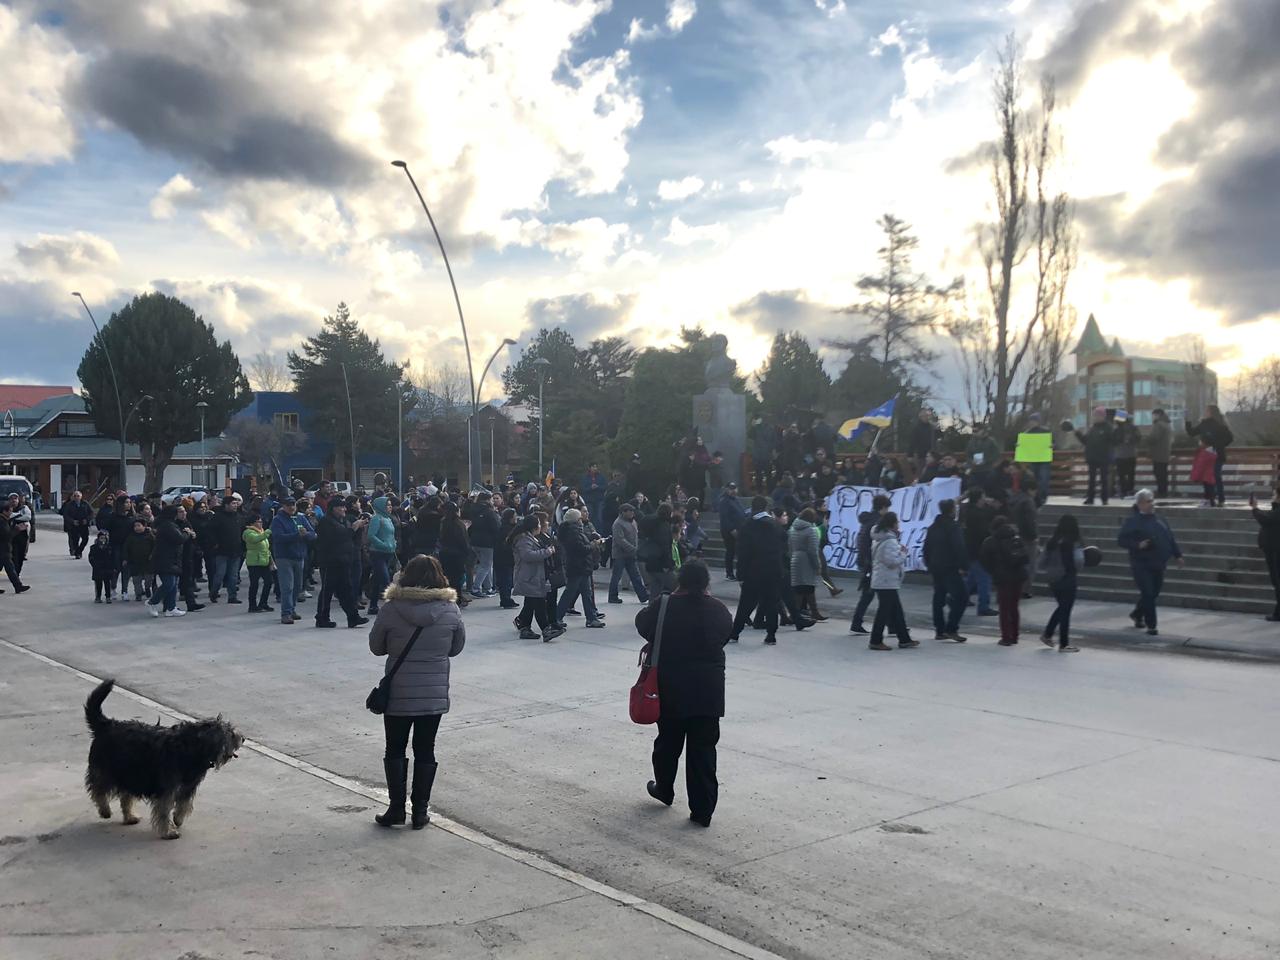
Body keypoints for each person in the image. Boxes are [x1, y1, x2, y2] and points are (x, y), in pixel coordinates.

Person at [368, 554, 466, 830]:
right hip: (432, 693)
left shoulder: (392, 608)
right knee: (426, 749)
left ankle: (396, 808)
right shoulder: (449, 610)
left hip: (398, 692)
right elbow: (455, 648)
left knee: (395, 748)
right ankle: (420, 812)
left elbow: (376, 647)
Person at [636, 561, 732, 828]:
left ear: (680, 580)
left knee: (668, 743)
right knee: (703, 751)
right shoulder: (718, 610)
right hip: (708, 692)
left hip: (671, 688)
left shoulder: (664, 605)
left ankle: (664, 788)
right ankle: (703, 811)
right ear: (706, 583)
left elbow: (642, 624)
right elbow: (725, 635)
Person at [1118, 489, 1184, 635]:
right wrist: (1137, 545)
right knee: (1148, 593)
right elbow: (1121, 540)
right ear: (1140, 504)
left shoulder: (1160, 519)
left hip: (1158, 562)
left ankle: (1137, 614)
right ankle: (1151, 625)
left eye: (1152, 500)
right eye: (1148, 501)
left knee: (1154, 593)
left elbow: (1170, 538)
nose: (1151, 504)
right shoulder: (1133, 521)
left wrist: (1177, 555)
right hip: (1141, 564)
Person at [731, 497, 788, 645]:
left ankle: (735, 632)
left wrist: (740, 573)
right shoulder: (775, 525)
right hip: (773, 570)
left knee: (746, 603)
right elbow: (784, 544)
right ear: (766, 507)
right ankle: (771, 635)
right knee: (771, 603)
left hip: (753, 571)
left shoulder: (748, 526)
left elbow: (743, 552)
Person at [315, 500, 369, 628]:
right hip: (330, 562)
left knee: (347, 590)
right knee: (327, 590)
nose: (344, 509)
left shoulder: (343, 521)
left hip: (344, 561)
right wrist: (353, 528)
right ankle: (322, 618)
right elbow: (337, 537)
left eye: (345, 507)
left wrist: (356, 528)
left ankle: (353, 617)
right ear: (333, 508)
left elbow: (349, 537)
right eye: (341, 507)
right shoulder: (326, 522)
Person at [867, 512, 915, 650]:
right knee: (884, 612)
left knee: (896, 611)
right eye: (897, 522)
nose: (898, 525)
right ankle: (876, 640)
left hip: (883, 580)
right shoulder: (889, 541)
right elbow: (892, 562)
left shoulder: (879, 538)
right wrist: (903, 553)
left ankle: (904, 639)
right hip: (887, 581)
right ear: (892, 524)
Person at [511, 514, 563, 641]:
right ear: (534, 526)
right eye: (539, 524)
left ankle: (525, 628)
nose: (541, 526)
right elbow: (527, 555)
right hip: (528, 576)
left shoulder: (531, 538)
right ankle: (546, 630)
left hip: (534, 575)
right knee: (539, 603)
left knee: (530, 604)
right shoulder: (524, 539)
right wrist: (547, 552)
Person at [980, 515, 1030, 646]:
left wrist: (994, 572)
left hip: (1002, 578)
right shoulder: (1016, 538)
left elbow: (985, 561)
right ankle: (1015, 635)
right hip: (1018, 576)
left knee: (1004, 608)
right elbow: (1026, 557)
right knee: (1014, 607)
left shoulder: (990, 541)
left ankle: (1006, 637)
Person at [923, 499, 967, 642]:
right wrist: (963, 566)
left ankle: (939, 630)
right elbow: (959, 547)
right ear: (952, 510)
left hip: (936, 567)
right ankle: (951, 628)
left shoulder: (933, 527)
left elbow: (926, 549)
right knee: (961, 597)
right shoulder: (953, 527)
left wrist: (930, 564)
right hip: (950, 566)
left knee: (939, 598)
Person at [1038, 514, 1083, 652]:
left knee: (1062, 608)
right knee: (1065, 610)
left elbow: (1041, 562)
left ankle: (1048, 634)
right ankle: (1063, 643)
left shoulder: (1052, 541)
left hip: (1053, 579)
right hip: (1068, 578)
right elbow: (1079, 561)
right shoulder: (1074, 542)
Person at [849, 494, 892, 634]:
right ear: (883, 507)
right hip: (872, 563)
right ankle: (893, 626)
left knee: (875, 595)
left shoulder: (867, 521)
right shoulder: (877, 523)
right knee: (879, 595)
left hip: (866, 561)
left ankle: (893, 626)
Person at [555, 508, 604, 628]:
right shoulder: (573, 532)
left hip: (581, 567)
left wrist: (590, 538)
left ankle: (591, 618)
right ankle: (557, 617)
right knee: (570, 593)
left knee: (586, 594)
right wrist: (594, 544)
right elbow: (581, 549)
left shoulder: (573, 531)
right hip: (577, 567)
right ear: (577, 520)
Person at [271, 497, 315, 625]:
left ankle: (292, 609)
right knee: (287, 586)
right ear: (283, 506)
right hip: (284, 557)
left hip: (299, 556)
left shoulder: (301, 518)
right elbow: (278, 537)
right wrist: (297, 535)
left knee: (297, 586)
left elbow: (313, 534)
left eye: (293, 504)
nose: (291, 507)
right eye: (288, 505)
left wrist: (306, 535)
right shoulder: (277, 520)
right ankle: (286, 613)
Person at [960, 488, 999, 617]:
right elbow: (983, 532)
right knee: (984, 579)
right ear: (978, 499)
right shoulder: (977, 514)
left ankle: (959, 598)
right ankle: (983, 606)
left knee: (972, 577)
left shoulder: (968, 511)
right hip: (978, 550)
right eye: (983, 497)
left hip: (970, 549)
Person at [1186, 405, 1233, 507]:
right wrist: (1187, 421)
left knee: (1216, 476)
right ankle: (1210, 499)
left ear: (1211, 412)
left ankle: (1220, 499)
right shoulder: (1204, 424)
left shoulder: (1219, 425)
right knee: (1206, 477)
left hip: (1216, 454)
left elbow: (1229, 438)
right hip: (1206, 454)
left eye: (1206, 411)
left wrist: (1216, 445)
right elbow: (1192, 433)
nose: (1205, 413)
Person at [147, 506, 190, 617]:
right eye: (178, 512)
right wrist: (186, 533)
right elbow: (179, 539)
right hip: (164, 559)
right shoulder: (167, 526)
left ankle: (171, 607)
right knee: (169, 583)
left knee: (174, 584)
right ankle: (152, 602)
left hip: (172, 558)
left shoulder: (169, 524)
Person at [609, 502, 650, 604]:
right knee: (616, 576)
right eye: (630, 511)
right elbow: (620, 540)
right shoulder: (618, 523)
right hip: (620, 554)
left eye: (633, 511)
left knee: (635, 576)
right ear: (623, 512)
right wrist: (633, 549)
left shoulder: (632, 521)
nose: (632, 513)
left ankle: (643, 596)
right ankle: (612, 596)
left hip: (630, 554)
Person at [788, 508, 824, 622]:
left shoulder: (792, 529)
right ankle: (797, 614)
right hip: (806, 561)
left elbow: (789, 546)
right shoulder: (811, 530)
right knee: (808, 587)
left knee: (800, 587)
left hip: (795, 558)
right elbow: (813, 550)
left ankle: (811, 612)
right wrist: (817, 565)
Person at [1073, 407, 1114, 505]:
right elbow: (1085, 441)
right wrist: (1078, 434)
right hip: (1092, 457)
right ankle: (1090, 498)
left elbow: (1113, 441)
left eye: (1097, 415)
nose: (1095, 417)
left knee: (1104, 479)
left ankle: (1104, 499)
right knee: (1091, 479)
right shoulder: (1092, 428)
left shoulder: (1108, 428)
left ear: (1103, 416)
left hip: (1103, 457)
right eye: (1094, 415)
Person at [1250, 486, 1280, 622]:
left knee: (1278, 581)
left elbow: (1266, 519)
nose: (1272, 497)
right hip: (1272, 549)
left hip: (1275, 550)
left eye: (1274, 495)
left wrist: (1255, 508)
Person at [366, 496, 398, 615]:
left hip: (388, 553)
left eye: (390, 505)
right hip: (378, 553)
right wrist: (383, 544)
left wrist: (393, 543)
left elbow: (391, 534)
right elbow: (371, 536)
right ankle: (394, 606)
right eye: (387, 505)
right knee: (385, 579)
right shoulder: (376, 519)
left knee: (377, 580)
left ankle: (373, 606)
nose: (390, 507)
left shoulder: (388, 519)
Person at [638, 503, 677, 598]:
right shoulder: (664, 526)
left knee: (655, 589)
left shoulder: (653, 524)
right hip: (660, 563)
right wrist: (667, 564)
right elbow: (664, 546)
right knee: (676, 586)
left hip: (650, 561)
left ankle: (652, 610)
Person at [467, 492, 500, 600]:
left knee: (485, 565)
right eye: (491, 499)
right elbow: (496, 527)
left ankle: (488, 588)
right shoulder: (489, 512)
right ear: (487, 500)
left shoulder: (473, 510)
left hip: (475, 541)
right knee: (486, 566)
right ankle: (476, 588)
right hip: (487, 542)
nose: (492, 501)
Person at [210, 497, 244, 604]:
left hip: (236, 550)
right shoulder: (218, 517)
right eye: (233, 503)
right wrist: (215, 544)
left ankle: (232, 596)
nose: (235, 505)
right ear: (226, 505)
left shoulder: (239, 517)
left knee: (233, 575)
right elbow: (210, 532)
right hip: (221, 551)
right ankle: (214, 592)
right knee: (220, 574)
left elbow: (242, 532)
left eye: (236, 503)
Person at [438, 501, 471, 604]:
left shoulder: (444, 522)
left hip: (445, 553)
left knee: (448, 577)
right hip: (457, 554)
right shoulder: (458, 524)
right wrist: (467, 552)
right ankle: (457, 598)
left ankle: (451, 597)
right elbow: (463, 540)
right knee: (457, 578)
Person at [242, 516, 275, 613]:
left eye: (261, 521)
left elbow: (266, 548)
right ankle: (252, 605)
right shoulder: (248, 532)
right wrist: (268, 532)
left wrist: (271, 561)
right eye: (258, 522)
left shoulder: (262, 531)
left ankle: (263, 603)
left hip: (264, 561)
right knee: (254, 584)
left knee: (269, 582)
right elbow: (255, 539)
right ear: (252, 523)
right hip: (254, 562)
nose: (261, 523)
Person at [124, 519, 155, 601]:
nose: (137, 528)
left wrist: (152, 555)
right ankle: (138, 594)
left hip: (148, 562)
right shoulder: (131, 537)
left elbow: (155, 546)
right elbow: (126, 549)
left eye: (139, 525)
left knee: (149, 578)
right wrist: (125, 559)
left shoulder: (150, 536)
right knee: (136, 580)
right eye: (135, 526)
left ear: (144, 526)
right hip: (135, 562)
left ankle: (147, 588)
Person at [494, 508, 519, 609]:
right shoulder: (507, 529)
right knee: (506, 580)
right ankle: (506, 599)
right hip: (504, 558)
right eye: (514, 516)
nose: (516, 517)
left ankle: (505, 598)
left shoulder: (504, 527)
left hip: (501, 557)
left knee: (505, 579)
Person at [1113, 412, 1140, 499]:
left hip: (1120, 455)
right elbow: (1139, 438)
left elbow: (1113, 441)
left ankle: (1123, 492)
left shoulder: (1117, 429)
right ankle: (1130, 490)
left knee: (1121, 475)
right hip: (1131, 454)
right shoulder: (1133, 428)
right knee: (1131, 474)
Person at [1147, 408, 1173, 499]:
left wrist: (1147, 438)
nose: (1152, 417)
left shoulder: (1158, 425)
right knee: (1163, 474)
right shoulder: (1167, 424)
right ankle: (1164, 491)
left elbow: (1154, 438)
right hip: (1165, 453)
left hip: (1158, 453)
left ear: (1158, 415)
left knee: (1159, 473)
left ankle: (1161, 492)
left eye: (1153, 415)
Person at [61, 489, 92, 559]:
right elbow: (65, 515)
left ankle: (79, 550)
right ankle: (78, 553)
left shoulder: (85, 504)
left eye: (78, 496)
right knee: (75, 541)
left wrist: (87, 520)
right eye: (75, 496)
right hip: (74, 525)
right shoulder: (69, 505)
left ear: (81, 497)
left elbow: (91, 513)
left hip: (83, 525)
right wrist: (72, 521)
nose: (76, 497)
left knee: (85, 539)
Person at [88, 530, 117, 603]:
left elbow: (113, 558)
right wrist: (95, 565)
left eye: (104, 538)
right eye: (101, 538)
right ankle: (98, 597)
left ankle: (108, 597)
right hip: (97, 568)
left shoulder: (110, 548)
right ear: (98, 539)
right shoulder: (93, 547)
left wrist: (113, 566)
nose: (103, 540)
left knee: (107, 583)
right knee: (98, 584)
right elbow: (91, 557)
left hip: (107, 568)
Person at [1188, 437, 1218, 507]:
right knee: (1210, 488)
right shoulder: (1213, 452)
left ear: (1205, 443)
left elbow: (1200, 466)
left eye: (1201, 442)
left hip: (1205, 475)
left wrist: (1194, 477)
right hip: (1211, 474)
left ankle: (1208, 502)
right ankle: (1211, 501)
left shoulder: (1204, 454)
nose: (1200, 443)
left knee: (1207, 489)